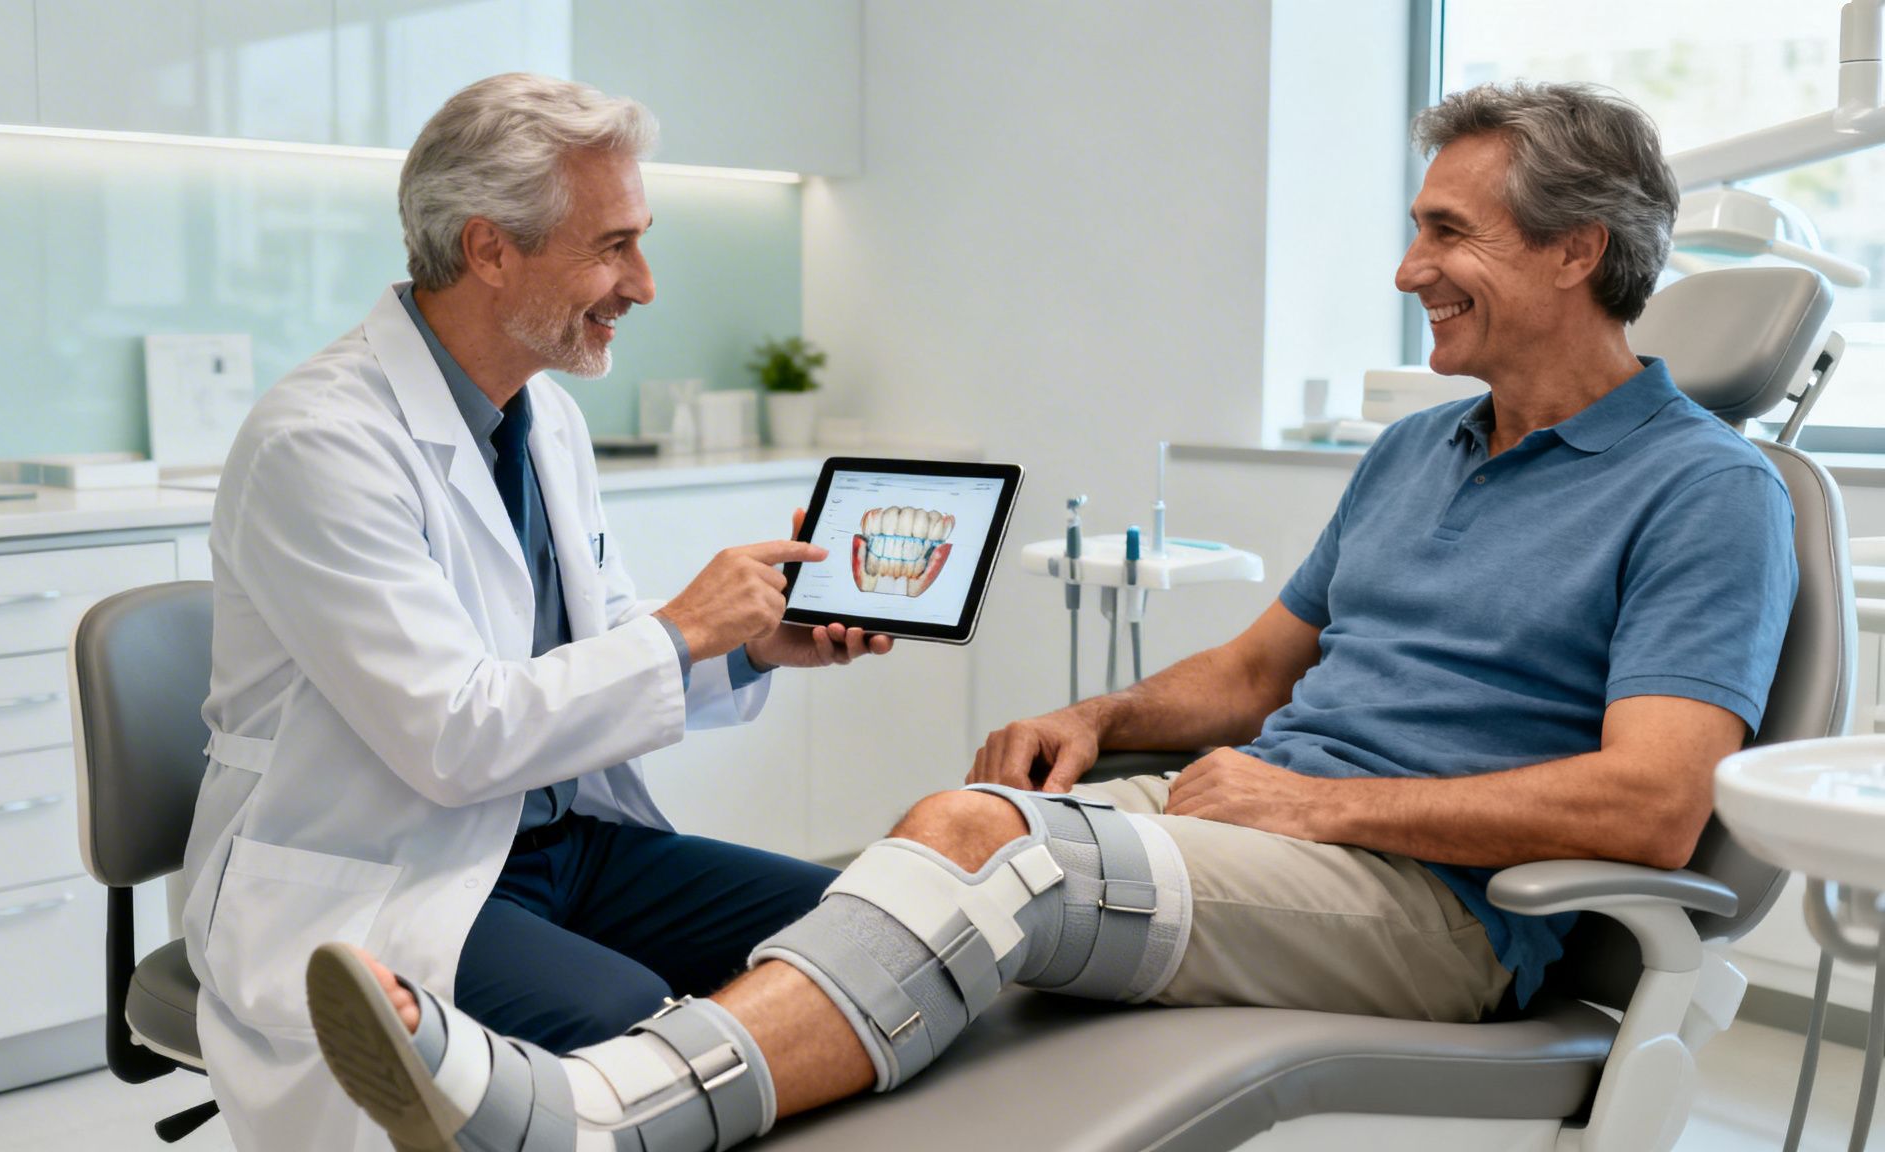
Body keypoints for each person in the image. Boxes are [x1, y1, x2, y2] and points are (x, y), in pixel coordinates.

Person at [302, 80, 1799, 1152]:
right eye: (1417, 228)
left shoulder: (1706, 491)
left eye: (1450, 233)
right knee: (960, 822)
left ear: (1576, 251)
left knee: (989, 863)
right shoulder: (1422, 450)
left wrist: (1326, 809)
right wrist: (1101, 719)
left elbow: (1657, 806)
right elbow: (1261, 668)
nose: (1411, 268)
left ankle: (601, 1118)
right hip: (1283, 835)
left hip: (1438, 910)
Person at [181, 73, 891, 1150]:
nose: (642, 284)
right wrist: (681, 629)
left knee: (866, 934)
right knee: (633, 1040)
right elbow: (457, 737)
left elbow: (595, 659)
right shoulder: (318, 445)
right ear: (489, 248)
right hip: (398, 870)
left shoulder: (542, 416)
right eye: (612, 246)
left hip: (566, 843)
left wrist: (746, 650)